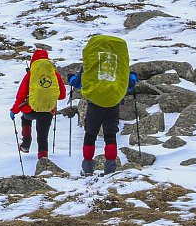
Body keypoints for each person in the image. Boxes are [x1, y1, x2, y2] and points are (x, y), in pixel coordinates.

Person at [67, 35, 137, 176]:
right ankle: (110, 167)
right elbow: (129, 84)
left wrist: (71, 78)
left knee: (90, 135)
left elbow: (78, 83)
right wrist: (133, 76)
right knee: (110, 135)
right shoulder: (120, 65)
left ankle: (87, 167)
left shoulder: (91, 64)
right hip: (113, 104)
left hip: (94, 105)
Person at [9, 48, 66, 159]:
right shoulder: (54, 74)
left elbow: (21, 95)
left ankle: (26, 144)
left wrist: (14, 110)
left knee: (25, 118)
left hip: (30, 111)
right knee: (43, 137)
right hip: (48, 111)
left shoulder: (30, 74)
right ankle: (43, 160)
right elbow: (62, 95)